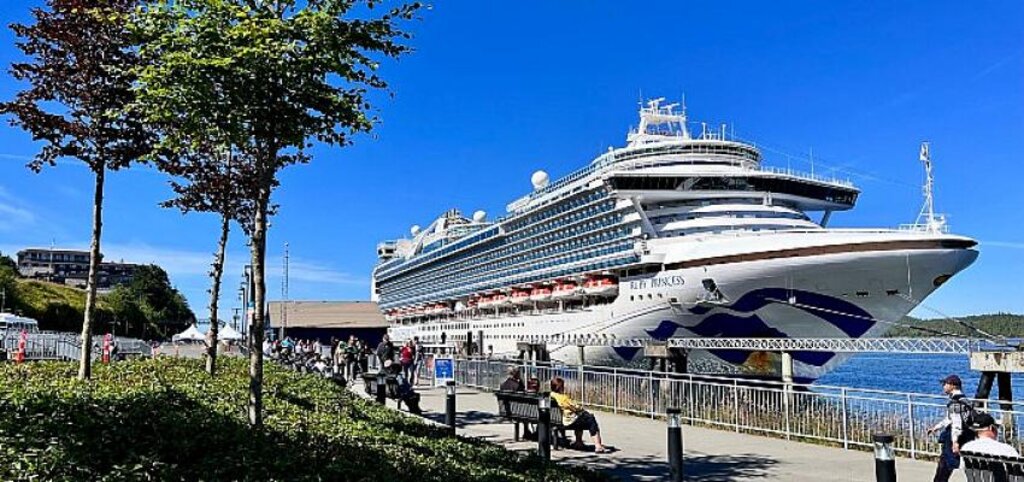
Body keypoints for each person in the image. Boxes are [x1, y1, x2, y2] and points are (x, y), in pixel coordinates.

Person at [927, 374, 972, 482]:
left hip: (954, 438)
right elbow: (950, 419)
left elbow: (956, 423)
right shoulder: (965, 400)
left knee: (945, 467)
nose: (943, 387)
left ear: (953, 385)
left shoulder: (955, 403)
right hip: (966, 436)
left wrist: (955, 441)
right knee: (947, 466)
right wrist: (936, 427)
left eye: (945, 384)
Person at [550, 377, 608, 453]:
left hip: (556, 420)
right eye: (563, 386)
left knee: (582, 417)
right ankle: (598, 446)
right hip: (568, 421)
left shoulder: (551, 395)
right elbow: (576, 407)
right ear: (560, 387)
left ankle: (579, 442)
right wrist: (581, 408)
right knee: (591, 419)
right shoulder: (563, 398)